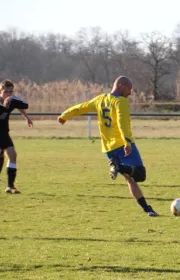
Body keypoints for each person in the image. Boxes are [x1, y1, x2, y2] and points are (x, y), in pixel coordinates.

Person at [57, 76, 158, 217]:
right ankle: (119, 167)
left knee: (130, 179)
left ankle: (147, 209)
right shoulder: (120, 101)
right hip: (123, 144)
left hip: (108, 149)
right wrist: (127, 142)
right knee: (140, 174)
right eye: (129, 89)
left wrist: (64, 115)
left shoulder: (100, 99)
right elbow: (122, 122)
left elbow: (81, 107)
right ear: (121, 86)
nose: (130, 93)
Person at [0, 80, 29, 194]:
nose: (8, 94)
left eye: (11, 92)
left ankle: (10, 186)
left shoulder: (11, 100)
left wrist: (13, 99)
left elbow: (26, 105)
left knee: (12, 155)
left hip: (3, 133)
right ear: (0, 90)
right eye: (6, 92)